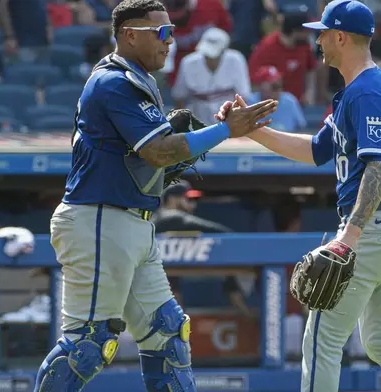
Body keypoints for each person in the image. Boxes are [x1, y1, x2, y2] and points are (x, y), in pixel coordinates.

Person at [32, 0, 277, 391]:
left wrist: (205, 135)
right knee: (87, 345)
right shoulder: (114, 81)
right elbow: (159, 151)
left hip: (129, 223)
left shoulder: (139, 80)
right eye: (161, 33)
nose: (170, 42)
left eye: (172, 32)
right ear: (129, 35)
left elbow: (152, 161)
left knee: (168, 335)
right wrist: (225, 131)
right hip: (99, 220)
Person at [217, 1, 381, 390]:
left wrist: (351, 234)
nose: (318, 39)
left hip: (376, 225)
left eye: (324, 32)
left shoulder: (366, 90)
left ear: (342, 37)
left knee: (321, 340)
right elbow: (316, 149)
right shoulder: (361, 87)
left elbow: (379, 167)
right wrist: (253, 131)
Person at [172, 27, 251, 126]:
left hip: (228, 121)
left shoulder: (236, 60)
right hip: (197, 121)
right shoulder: (188, 62)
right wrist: (183, 126)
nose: (210, 58)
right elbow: (179, 98)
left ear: (223, 51)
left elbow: (243, 97)